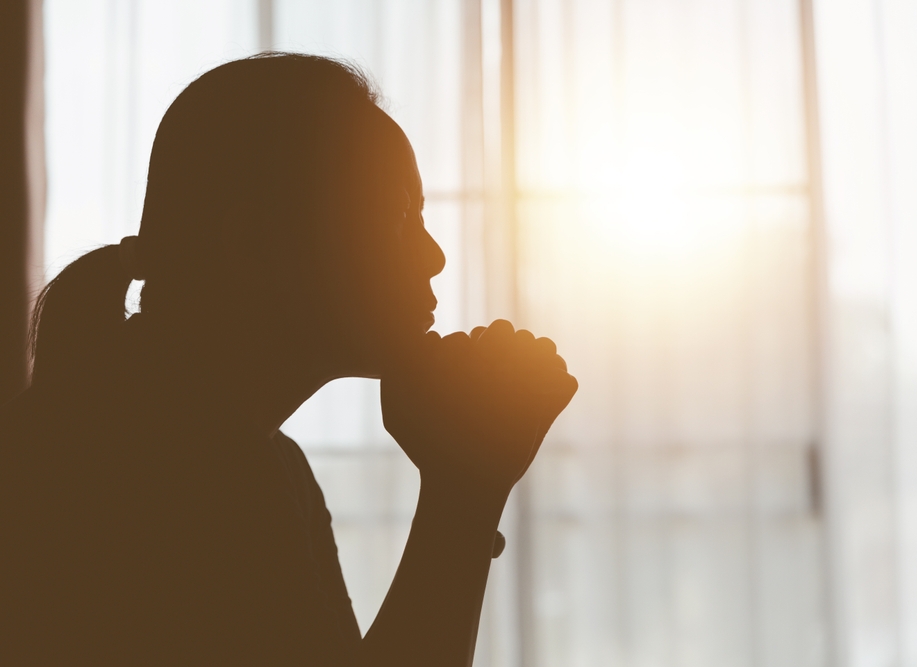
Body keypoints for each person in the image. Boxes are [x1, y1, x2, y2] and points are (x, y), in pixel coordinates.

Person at [0, 53, 577, 666]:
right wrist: (465, 487)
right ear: (252, 246)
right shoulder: (181, 467)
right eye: (399, 217)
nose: (434, 256)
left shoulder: (200, 440)